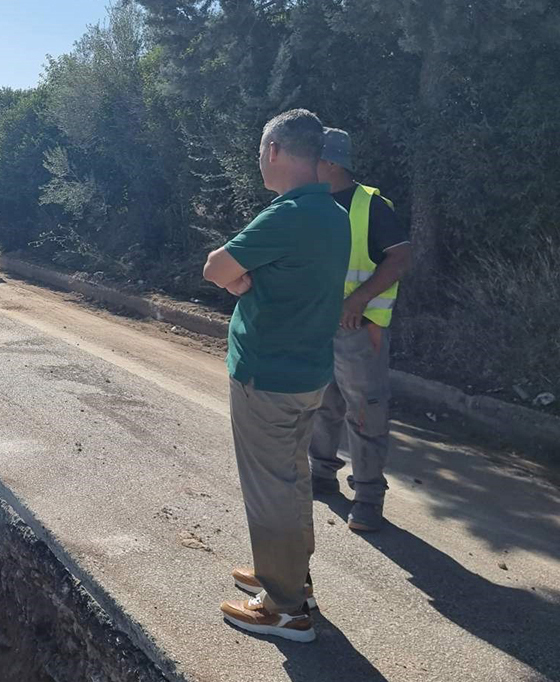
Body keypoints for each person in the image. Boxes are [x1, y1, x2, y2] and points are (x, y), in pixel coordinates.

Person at [202, 109, 350, 643]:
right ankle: (292, 578)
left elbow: (216, 267)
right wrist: (252, 286)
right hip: (308, 371)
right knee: (291, 480)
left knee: (270, 489)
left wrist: (241, 286)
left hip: (268, 375)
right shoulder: (334, 213)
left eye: (260, 152)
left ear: (274, 151)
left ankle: (284, 608)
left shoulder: (288, 213)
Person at [308, 128, 411, 532]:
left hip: (359, 328)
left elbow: (400, 257)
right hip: (319, 325)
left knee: (365, 410)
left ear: (330, 162)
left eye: (312, 159)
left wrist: (358, 300)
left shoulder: (371, 206)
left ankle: (368, 497)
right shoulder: (312, 203)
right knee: (322, 404)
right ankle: (321, 473)